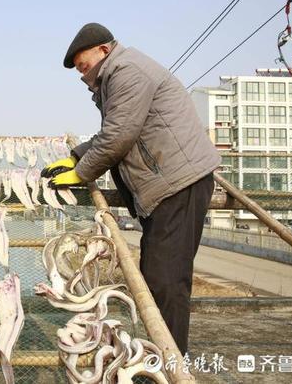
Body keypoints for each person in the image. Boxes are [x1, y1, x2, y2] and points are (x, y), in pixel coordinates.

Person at [42, 22, 221, 355]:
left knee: (165, 282)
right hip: (166, 185)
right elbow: (115, 130)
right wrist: (75, 157)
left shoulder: (127, 72)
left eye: (85, 66)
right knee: (155, 278)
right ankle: (158, 357)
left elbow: (119, 135)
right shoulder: (117, 74)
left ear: (104, 51)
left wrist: (81, 173)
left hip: (178, 183)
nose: (84, 76)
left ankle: (169, 365)